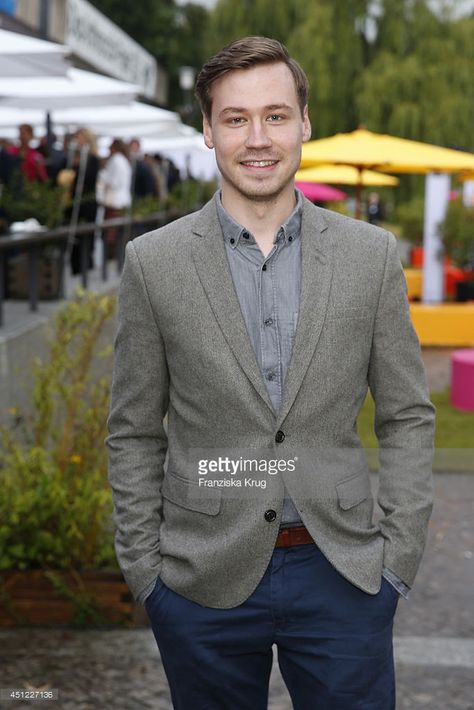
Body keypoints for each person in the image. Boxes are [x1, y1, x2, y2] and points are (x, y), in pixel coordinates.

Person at [107, 36, 435, 710]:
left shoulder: (370, 257)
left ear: (305, 123)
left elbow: (406, 414)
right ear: (208, 129)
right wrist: (148, 575)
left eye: (276, 115)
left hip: (343, 574)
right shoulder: (154, 263)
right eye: (236, 118)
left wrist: (397, 560)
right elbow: (134, 430)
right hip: (200, 581)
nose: (258, 138)